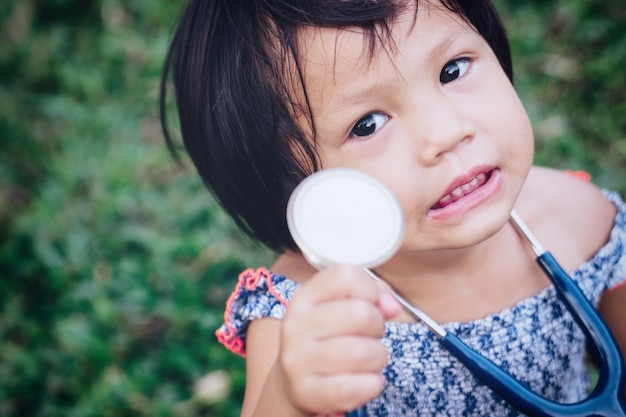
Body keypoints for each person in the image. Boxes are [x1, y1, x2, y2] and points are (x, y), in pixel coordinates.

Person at [160, 0, 626, 415]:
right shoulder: (304, 319)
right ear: (296, 194)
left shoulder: (579, 219)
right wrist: (292, 394)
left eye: (453, 69)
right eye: (367, 124)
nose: (445, 132)